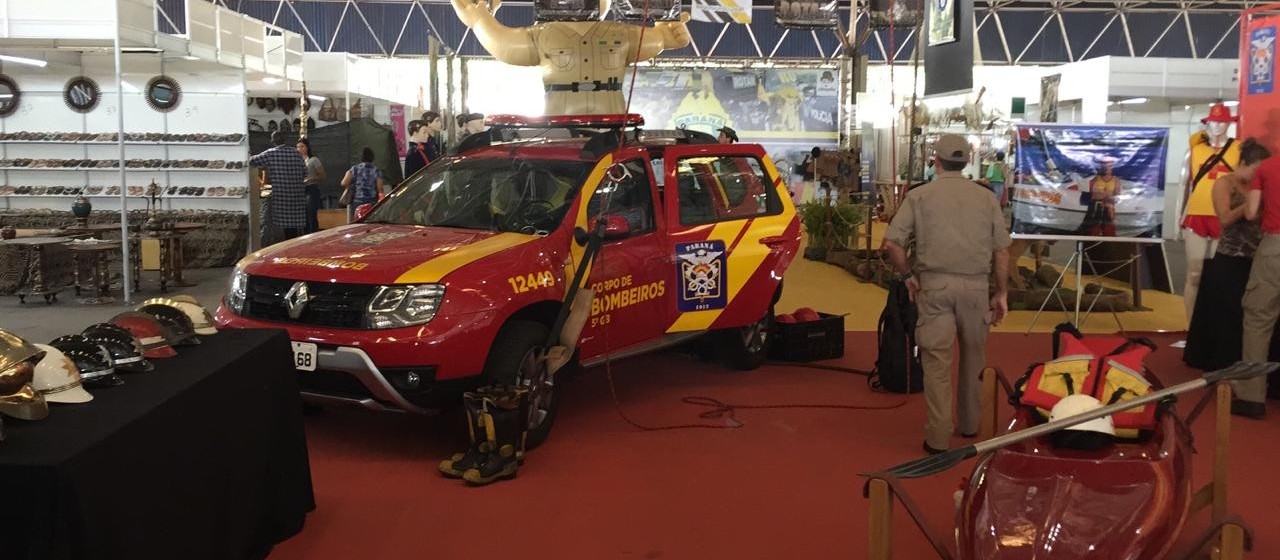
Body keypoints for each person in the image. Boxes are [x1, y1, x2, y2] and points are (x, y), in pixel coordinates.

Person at [883, 134, 1012, 454]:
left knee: (937, 362)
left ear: (935, 160)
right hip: (976, 289)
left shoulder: (920, 196)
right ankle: (970, 425)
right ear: (967, 160)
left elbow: (892, 244)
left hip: (934, 287)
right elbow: (1002, 252)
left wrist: (907, 276)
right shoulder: (986, 198)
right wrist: (1002, 293)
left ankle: (938, 436)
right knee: (974, 359)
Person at [1185, 139, 1271, 376]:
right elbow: (1224, 218)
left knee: (1254, 313)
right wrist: (1248, 207)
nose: (1259, 174)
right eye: (1256, 169)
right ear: (1244, 163)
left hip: (1257, 256)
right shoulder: (1224, 184)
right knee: (1228, 312)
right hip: (1231, 255)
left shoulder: (1261, 185)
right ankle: (1222, 361)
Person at [1237, 150, 1280, 419]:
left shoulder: (1267, 168)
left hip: (1275, 246)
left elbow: (1251, 212)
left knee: (1258, 319)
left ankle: (1251, 398)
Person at [250, 131, 308, 242]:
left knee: (283, 226)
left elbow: (252, 161)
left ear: (272, 141)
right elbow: (305, 173)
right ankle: (295, 246)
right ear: (285, 140)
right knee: (294, 225)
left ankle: (285, 249)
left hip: (281, 196)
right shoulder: (296, 153)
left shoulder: (271, 153)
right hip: (297, 195)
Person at [1077, 157, 1119, 237]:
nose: (1107, 167)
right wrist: (1107, 194)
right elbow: (1093, 195)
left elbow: (1117, 196)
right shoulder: (1095, 179)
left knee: (1109, 230)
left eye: (1109, 165)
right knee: (1092, 229)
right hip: (1095, 207)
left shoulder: (1116, 180)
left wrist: (1104, 195)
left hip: (1109, 208)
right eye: (1105, 165)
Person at [342, 147, 385, 223]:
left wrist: (351, 187)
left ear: (361, 157)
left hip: (356, 201)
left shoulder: (354, 169)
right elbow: (380, 188)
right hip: (371, 202)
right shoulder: (376, 170)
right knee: (370, 223)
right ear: (372, 157)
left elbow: (344, 183)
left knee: (357, 223)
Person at [297, 138, 326, 233]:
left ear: (307, 148)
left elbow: (322, 176)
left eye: (302, 146)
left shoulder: (314, 160)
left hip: (311, 189)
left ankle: (313, 234)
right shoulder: (297, 161)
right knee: (302, 216)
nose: (299, 149)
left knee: (311, 215)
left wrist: (312, 179)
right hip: (300, 190)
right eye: (297, 147)